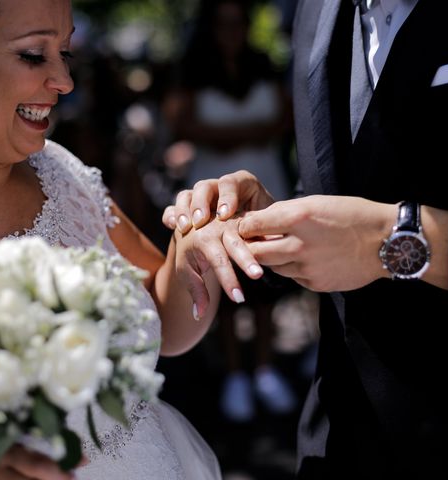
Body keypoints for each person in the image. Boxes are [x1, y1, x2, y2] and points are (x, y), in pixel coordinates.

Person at [164, 0, 448, 478]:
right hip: (338, 436)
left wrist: (394, 241)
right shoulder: (315, 12)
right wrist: (265, 223)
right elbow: (340, 186)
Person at [0, 1, 224, 478]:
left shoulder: (62, 173)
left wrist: (201, 238)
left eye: (66, 53)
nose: (64, 82)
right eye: (35, 55)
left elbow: (166, 322)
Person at [165, 0, 297, 423]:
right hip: (214, 191)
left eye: (237, 24)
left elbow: (286, 115)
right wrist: (242, 136)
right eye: (223, 25)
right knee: (221, 280)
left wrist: (237, 136)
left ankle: (264, 367)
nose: (231, 32)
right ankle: (235, 373)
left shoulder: (262, 64)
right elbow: (180, 122)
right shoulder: (194, 68)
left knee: (264, 283)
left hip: (266, 183)